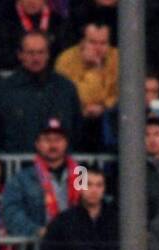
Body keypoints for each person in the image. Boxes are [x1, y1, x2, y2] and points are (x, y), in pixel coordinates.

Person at [0, 31, 83, 155]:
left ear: (48, 54)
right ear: (20, 55)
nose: (36, 58)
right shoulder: (2, 91)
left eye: (41, 52)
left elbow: (78, 133)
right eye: (30, 53)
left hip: (61, 170)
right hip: (16, 169)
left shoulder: (65, 88)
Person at [54, 19, 118, 151]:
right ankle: (80, 171)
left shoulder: (117, 58)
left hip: (108, 119)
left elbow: (120, 94)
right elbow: (73, 95)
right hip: (75, 119)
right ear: (82, 42)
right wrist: (94, 69)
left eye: (103, 43)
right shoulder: (66, 59)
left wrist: (104, 106)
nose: (98, 48)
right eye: (93, 42)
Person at [41, 168, 119, 250]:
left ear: (104, 188)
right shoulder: (63, 222)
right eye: (88, 185)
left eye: (99, 185)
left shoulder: (117, 220)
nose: (94, 190)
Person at [0, 0, 68, 71]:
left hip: (52, 76)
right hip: (15, 75)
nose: (31, 1)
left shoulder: (58, 22)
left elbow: (64, 53)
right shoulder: (5, 21)